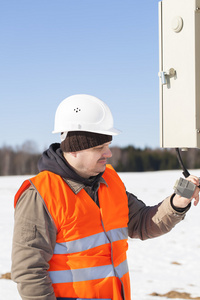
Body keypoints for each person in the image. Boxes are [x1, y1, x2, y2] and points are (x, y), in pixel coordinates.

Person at [11, 94, 199, 300]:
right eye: (99, 148)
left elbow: (142, 224)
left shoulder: (110, 180)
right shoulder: (40, 194)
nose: (108, 153)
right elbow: (29, 271)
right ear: (74, 149)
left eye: (108, 145)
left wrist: (177, 203)